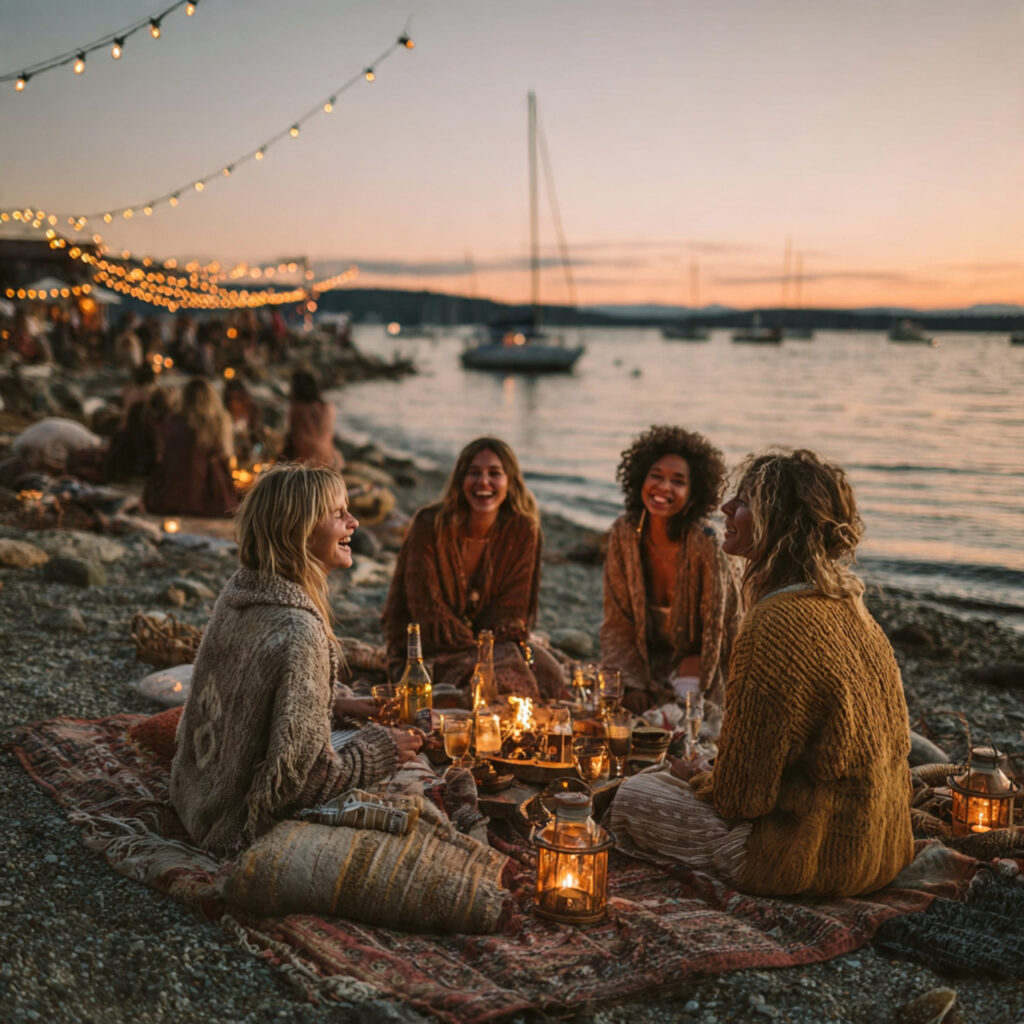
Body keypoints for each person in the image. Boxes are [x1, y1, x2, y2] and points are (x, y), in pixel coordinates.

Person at [609, 448, 915, 898]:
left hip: (806, 859)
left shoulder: (772, 622)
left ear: (781, 523)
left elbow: (742, 799)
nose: (726, 508)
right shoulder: (851, 605)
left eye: (745, 501)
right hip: (885, 847)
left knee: (634, 795)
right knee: (671, 772)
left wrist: (699, 774)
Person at [171, 463, 422, 857]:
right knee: (417, 784)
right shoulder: (298, 628)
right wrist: (381, 749)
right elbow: (302, 785)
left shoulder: (241, 591)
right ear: (298, 528)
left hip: (193, 796)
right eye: (338, 513)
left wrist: (333, 702)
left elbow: (247, 692)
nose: (353, 522)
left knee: (353, 732)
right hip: (238, 824)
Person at [381, 436, 565, 699]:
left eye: (495, 473)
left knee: (552, 675)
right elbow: (426, 610)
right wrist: (481, 651)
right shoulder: (429, 524)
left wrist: (489, 648)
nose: (484, 482)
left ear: (510, 481)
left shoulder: (523, 530)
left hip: (492, 645)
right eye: (474, 472)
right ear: (459, 480)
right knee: (503, 679)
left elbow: (512, 610)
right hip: (428, 650)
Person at [601, 425, 741, 716]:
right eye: (656, 476)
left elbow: (718, 633)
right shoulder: (624, 533)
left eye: (677, 481)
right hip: (642, 660)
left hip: (698, 663)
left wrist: (702, 693)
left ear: (693, 494)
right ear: (640, 478)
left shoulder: (706, 542)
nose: (663, 487)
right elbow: (617, 622)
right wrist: (633, 683)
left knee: (687, 723)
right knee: (614, 715)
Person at [143, 377, 237, 516]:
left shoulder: (174, 421)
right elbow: (224, 453)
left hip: (172, 487)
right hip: (205, 487)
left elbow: (162, 453)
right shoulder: (218, 421)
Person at [283, 370, 343, 471]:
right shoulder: (328, 408)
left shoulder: (297, 408)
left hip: (304, 460)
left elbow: (292, 437)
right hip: (327, 459)